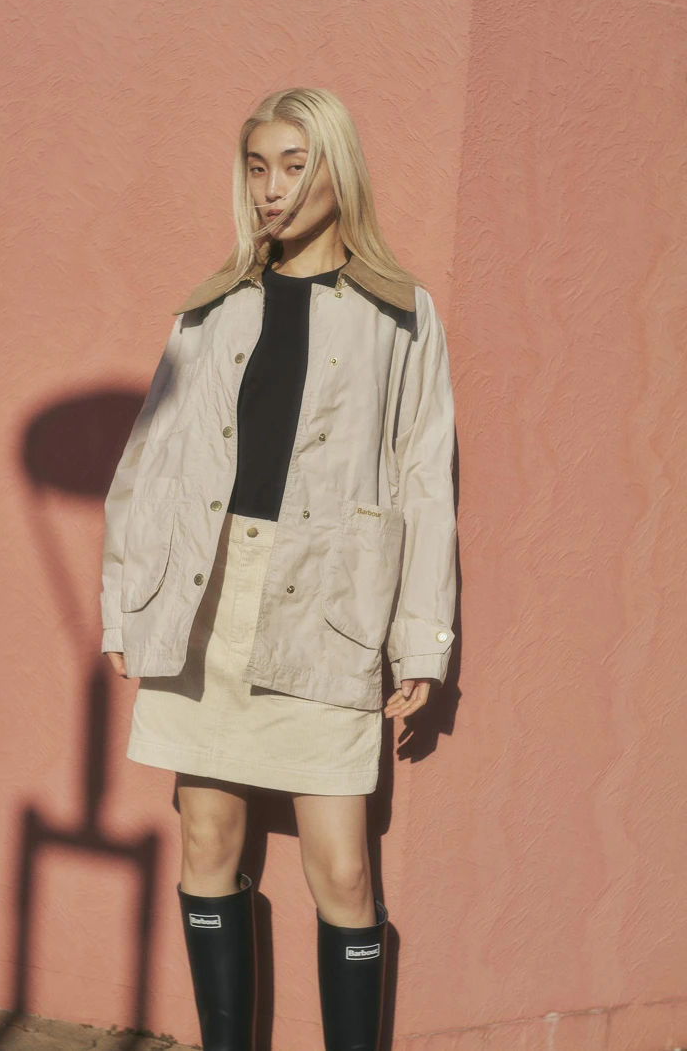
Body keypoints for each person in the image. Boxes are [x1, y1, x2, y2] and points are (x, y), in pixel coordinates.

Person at [99, 86, 457, 1051]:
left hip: (328, 603)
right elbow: (148, 462)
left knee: (344, 871)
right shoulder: (213, 308)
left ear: (338, 170)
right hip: (209, 596)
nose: (273, 188)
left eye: (296, 166)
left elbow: (426, 480)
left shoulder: (401, 314)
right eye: (258, 167)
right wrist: (128, 608)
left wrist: (421, 640)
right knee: (208, 840)